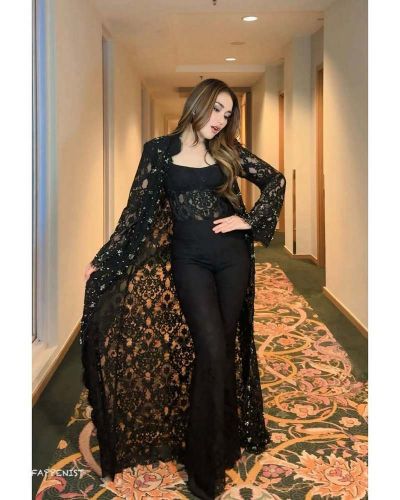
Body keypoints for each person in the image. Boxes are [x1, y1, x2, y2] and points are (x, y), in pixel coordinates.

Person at [80, 78, 286, 499]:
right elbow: (136, 211)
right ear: (197, 105)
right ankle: (205, 463)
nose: (220, 119)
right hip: (189, 261)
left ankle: (217, 444)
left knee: (221, 351)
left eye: (228, 113)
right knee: (209, 348)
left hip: (233, 260)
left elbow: (275, 180)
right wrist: (106, 259)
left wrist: (250, 221)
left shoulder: (227, 151)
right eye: (216, 109)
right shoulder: (159, 151)